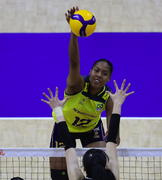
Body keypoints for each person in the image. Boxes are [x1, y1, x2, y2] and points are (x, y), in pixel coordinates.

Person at [43, 6, 119, 180]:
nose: (99, 75)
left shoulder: (108, 97)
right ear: (90, 71)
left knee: (100, 166)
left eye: (104, 73)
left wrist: (114, 135)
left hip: (90, 129)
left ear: (109, 78)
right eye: (96, 70)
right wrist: (74, 33)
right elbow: (74, 62)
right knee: (59, 176)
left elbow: (113, 129)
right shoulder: (77, 85)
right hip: (65, 129)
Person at [42, 80, 133, 180]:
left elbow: (68, 147)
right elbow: (111, 140)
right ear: (105, 166)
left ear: (84, 168)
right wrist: (117, 103)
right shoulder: (112, 177)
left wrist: (57, 110)